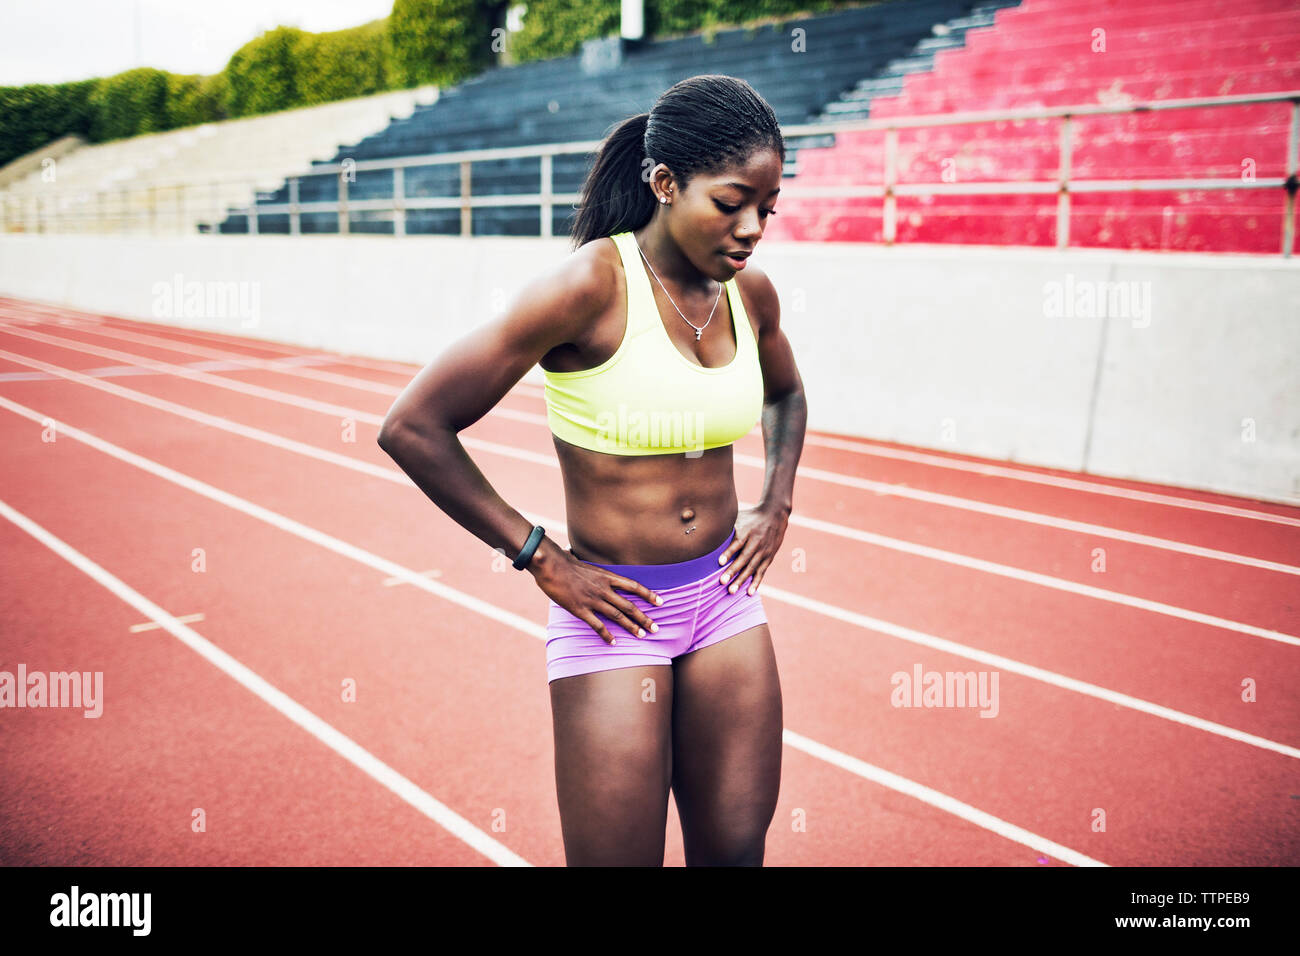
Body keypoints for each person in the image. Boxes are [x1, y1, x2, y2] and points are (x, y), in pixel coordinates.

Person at [377, 74, 807, 866]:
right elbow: (413, 426)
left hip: (725, 605)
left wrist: (776, 502)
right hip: (614, 618)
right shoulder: (586, 289)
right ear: (665, 184)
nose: (752, 229)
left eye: (767, 209)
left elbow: (785, 394)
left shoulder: (751, 296)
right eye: (731, 203)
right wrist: (538, 554)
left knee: (736, 858)